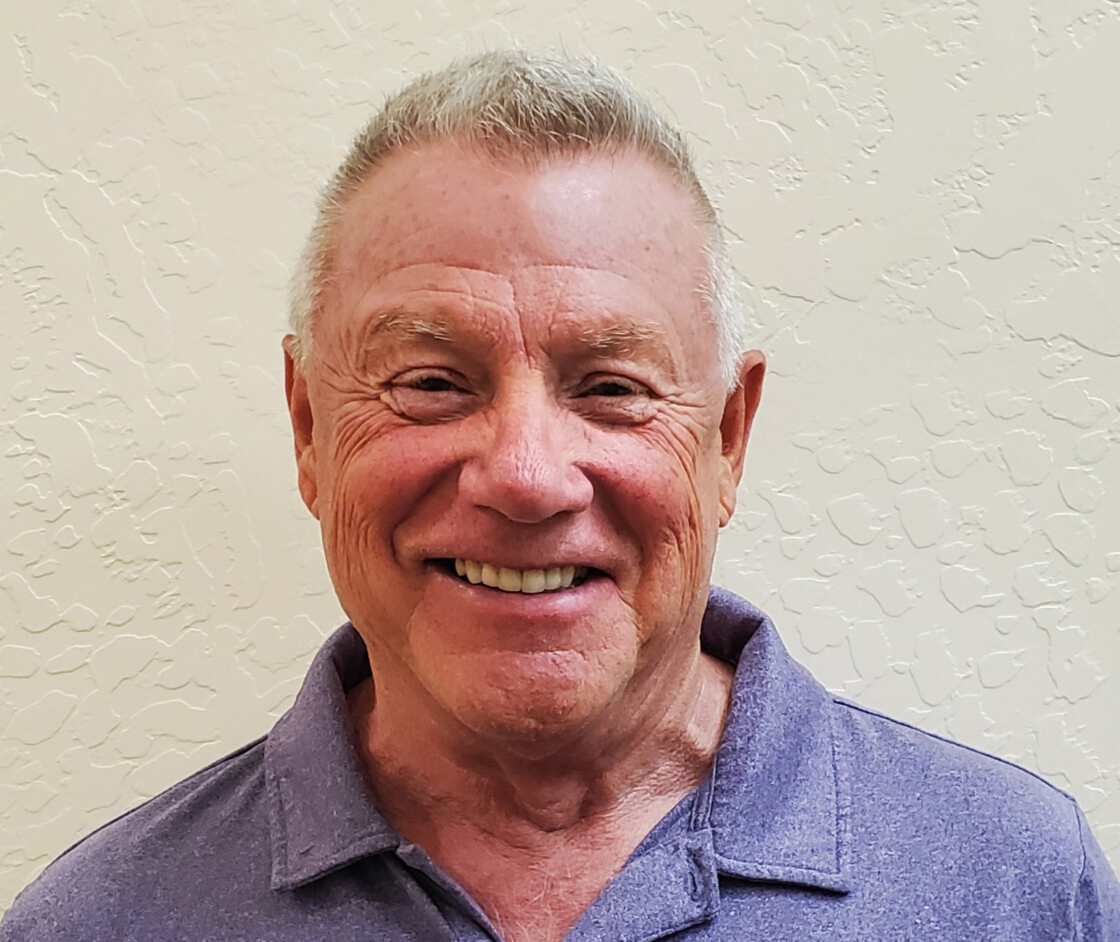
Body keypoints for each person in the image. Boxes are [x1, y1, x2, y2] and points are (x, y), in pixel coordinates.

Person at [2, 49, 1118, 942]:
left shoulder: (1013, 888)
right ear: (308, 428)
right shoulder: (101, 921)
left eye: (612, 388)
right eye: (431, 383)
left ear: (726, 439)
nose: (528, 477)